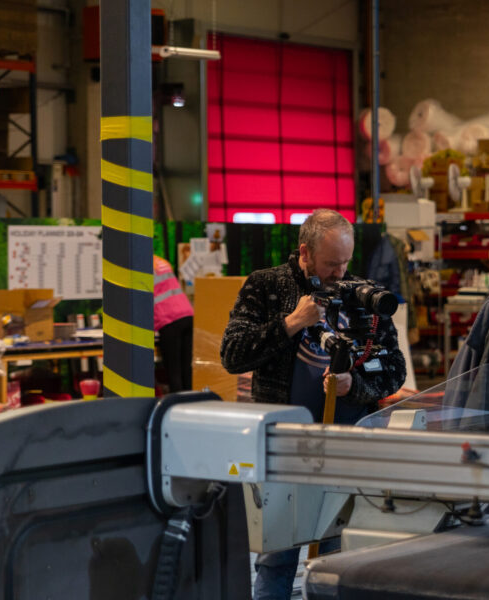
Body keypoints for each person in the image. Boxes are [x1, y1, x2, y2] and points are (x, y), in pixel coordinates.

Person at [220, 208, 406, 600]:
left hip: (347, 442)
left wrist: (353, 385)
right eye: (330, 264)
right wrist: (291, 323)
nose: (340, 272)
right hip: (284, 441)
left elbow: (394, 370)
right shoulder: (266, 287)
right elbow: (233, 354)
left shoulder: (363, 295)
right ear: (304, 253)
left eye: (345, 262)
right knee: (277, 554)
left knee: (339, 554)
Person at [154, 255, 194, 393]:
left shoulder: (141, 267)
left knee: (174, 370)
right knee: (186, 369)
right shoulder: (161, 262)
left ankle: (177, 407)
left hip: (169, 319)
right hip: (187, 313)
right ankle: (190, 405)